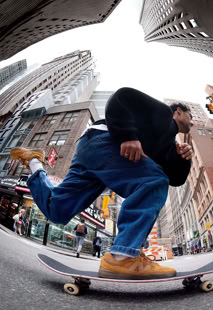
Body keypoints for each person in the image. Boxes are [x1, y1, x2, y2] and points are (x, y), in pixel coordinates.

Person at [10, 87, 193, 280]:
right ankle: (123, 257)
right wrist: (127, 136)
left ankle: (34, 162)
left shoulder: (171, 144)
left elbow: (175, 179)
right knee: (154, 180)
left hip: (90, 151)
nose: (193, 122)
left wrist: (184, 158)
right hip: (104, 141)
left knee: (58, 210)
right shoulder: (163, 114)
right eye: (191, 116)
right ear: (178, 112)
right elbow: (122, 98)